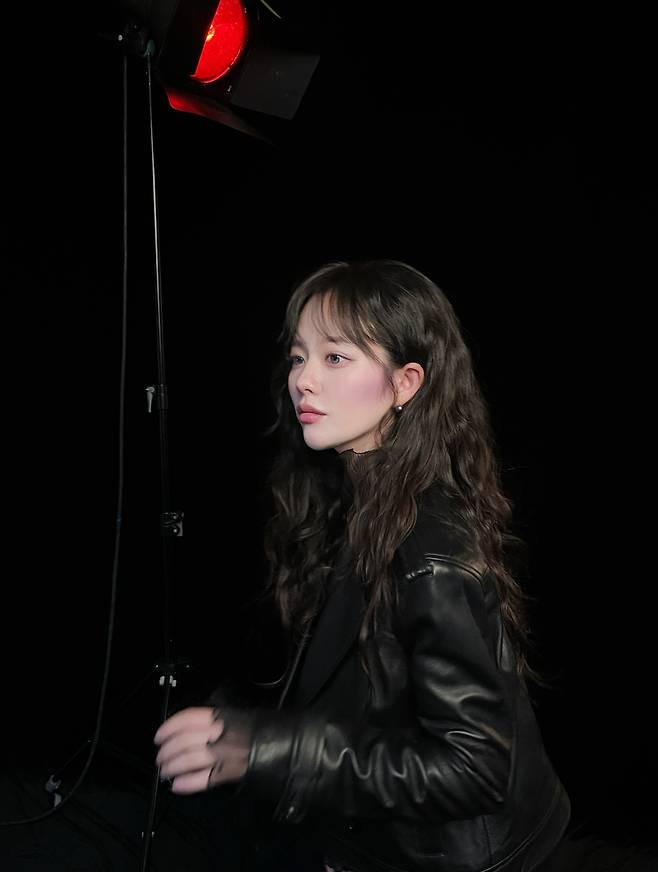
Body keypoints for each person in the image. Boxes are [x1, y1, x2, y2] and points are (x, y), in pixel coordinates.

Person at [154, 260, 570, 872]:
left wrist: (269, 748)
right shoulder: (352, 497)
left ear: (405, 383)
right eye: (299, 357)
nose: (304, 381)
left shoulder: (430, 551)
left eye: (336, 357)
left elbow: (475, 770)